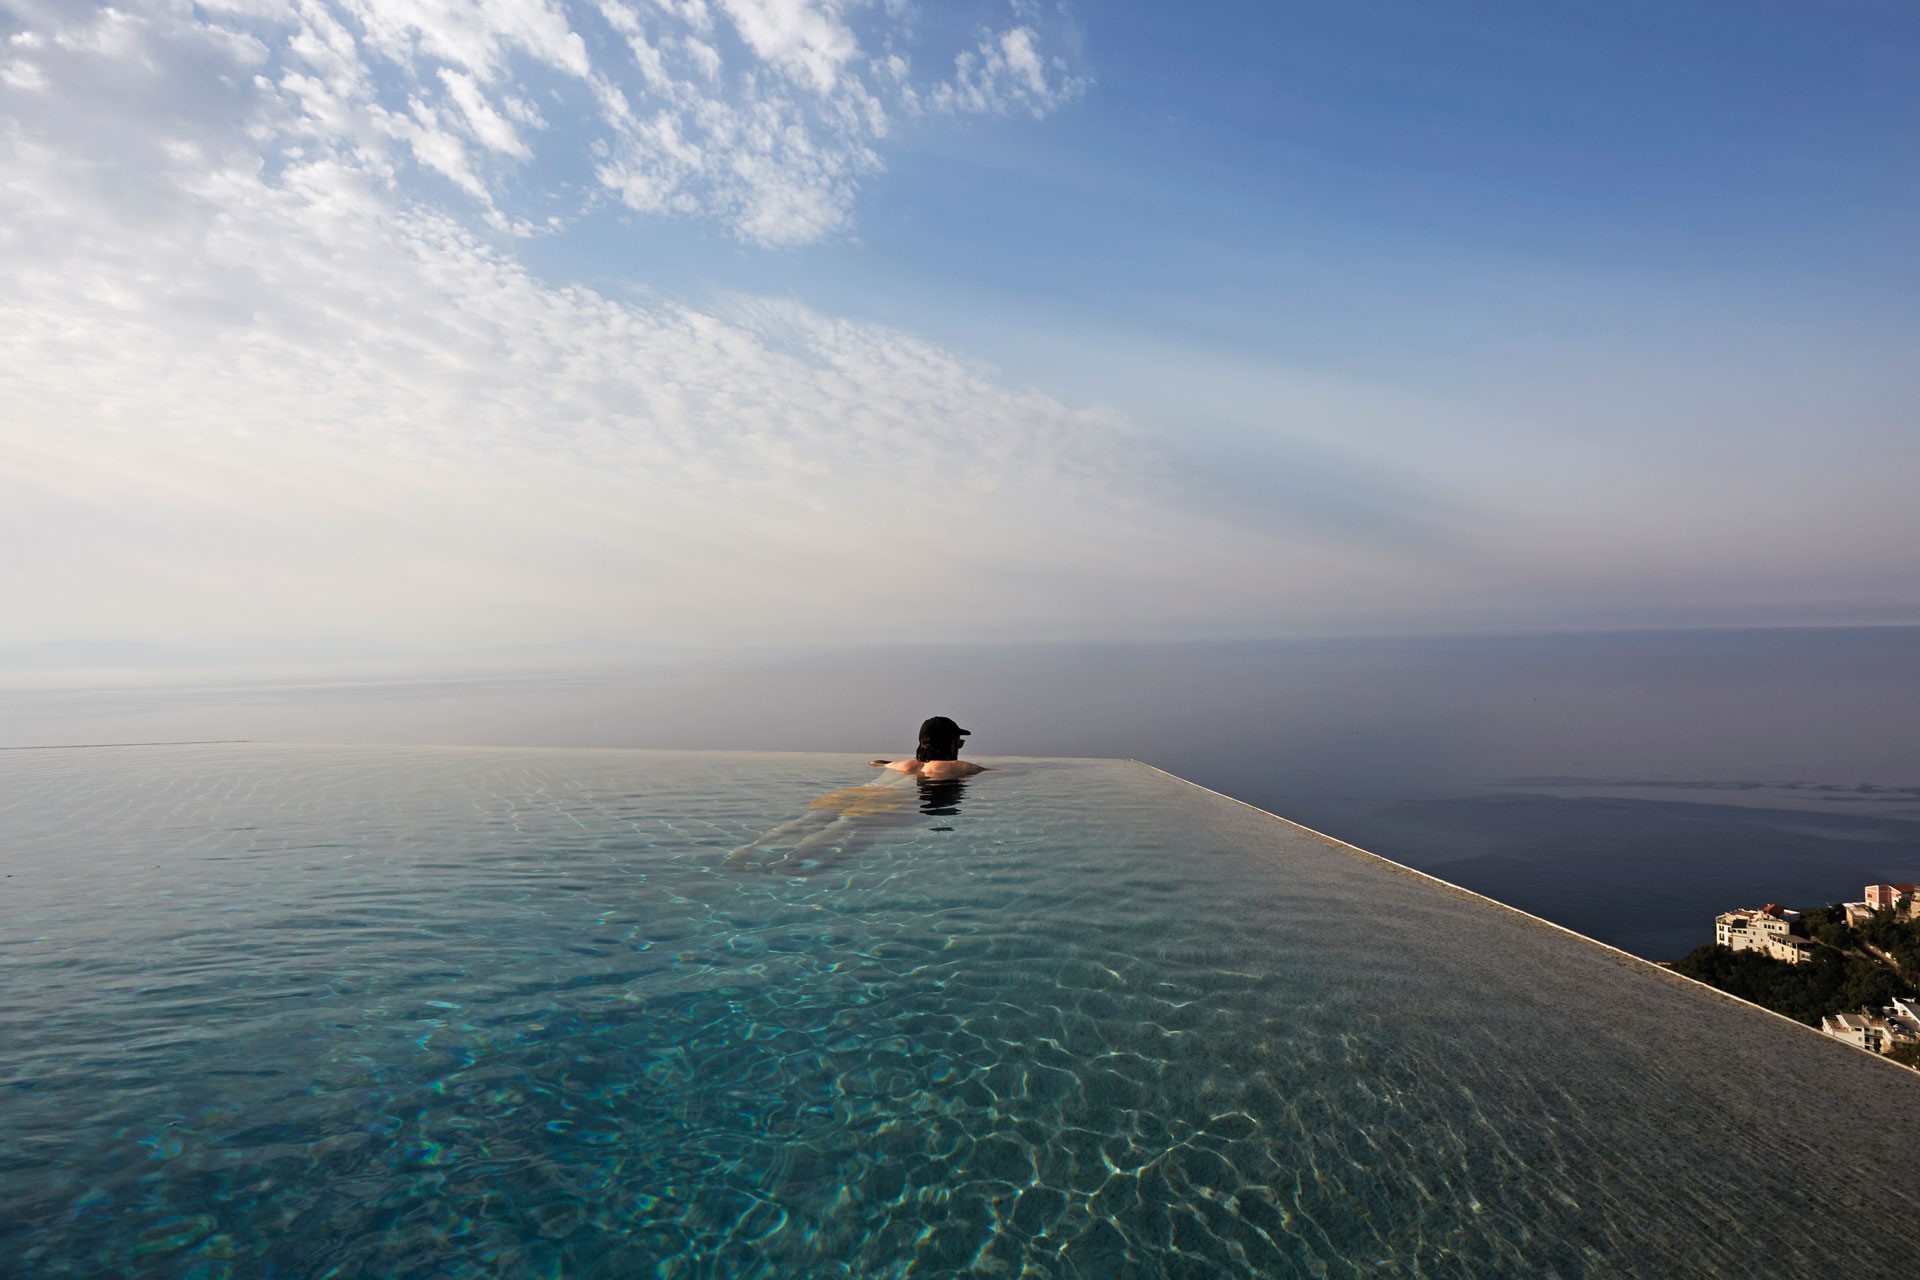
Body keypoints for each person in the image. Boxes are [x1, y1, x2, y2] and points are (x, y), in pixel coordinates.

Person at [871, 716, 985, 780]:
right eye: (959, 743)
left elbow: (875, 762)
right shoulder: (962, 767)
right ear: (951, 746)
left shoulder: (900, 766)